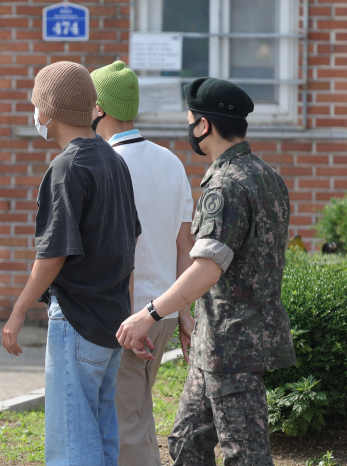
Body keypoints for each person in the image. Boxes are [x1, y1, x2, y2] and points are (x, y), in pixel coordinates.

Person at [116, 77, 296, 465]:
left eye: (190, 120)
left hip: (233, 345)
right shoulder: (266, 175)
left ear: (203, 126)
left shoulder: (227, 183)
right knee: (186, 441)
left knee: (244, 454)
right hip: (218, 342)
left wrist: (150, 313)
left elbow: (207, 268)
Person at [1, 61, 141, 466]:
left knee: (71, 444)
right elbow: (129, 240)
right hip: (110, 318)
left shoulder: (67, 167)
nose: (34, 113)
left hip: (77, 319)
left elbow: (53, 253)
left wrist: (18, 309)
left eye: (35, 103)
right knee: (100, 435)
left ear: (48, 111)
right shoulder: (112, 160)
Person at [90, 60, 195, 466]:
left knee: (125, 423)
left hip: (128, 315)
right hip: (164, 309)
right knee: (139, 413)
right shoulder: (171, 161)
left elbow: (121, 249)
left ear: (100, 107)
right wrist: (185, 317)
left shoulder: (106, 165)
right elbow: (184, 246)